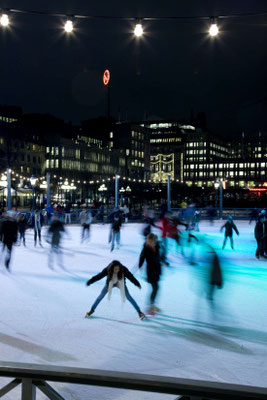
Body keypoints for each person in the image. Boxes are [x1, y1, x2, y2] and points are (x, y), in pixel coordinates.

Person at [139, 233, 162, 315]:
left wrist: (163, 262)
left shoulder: (157, 246)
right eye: (148, 241)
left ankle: (151, 306)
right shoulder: (146, 248)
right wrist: (140, 265)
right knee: (155, 288)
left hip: (157, 269)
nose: (149, 243)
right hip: (151, 271)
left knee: (156, 288)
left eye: (151, 241)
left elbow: (159, 257)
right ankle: (149, 307)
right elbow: (141, 257)